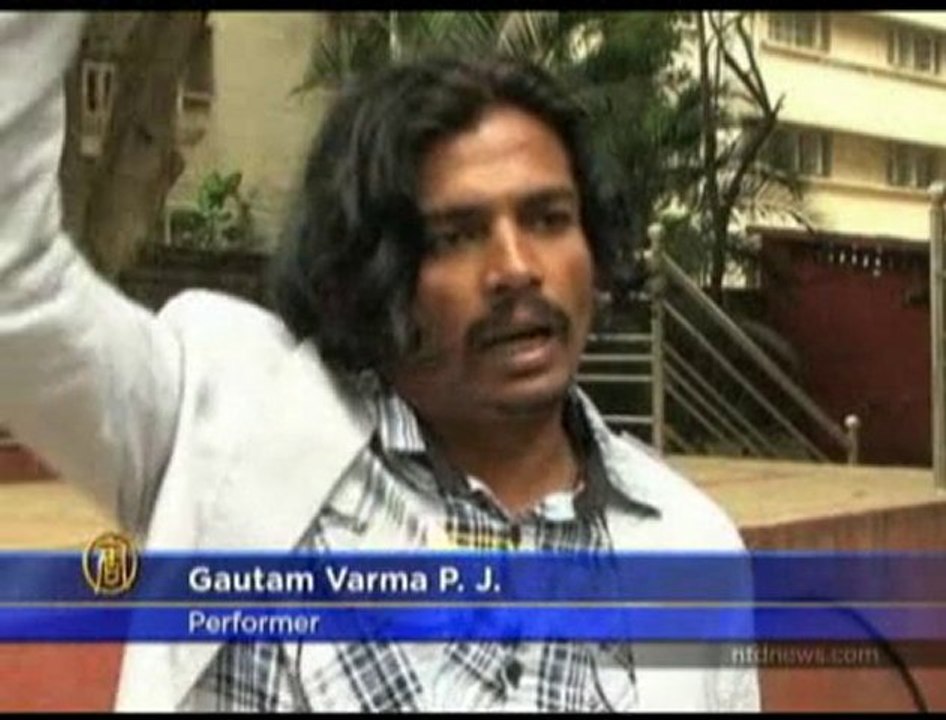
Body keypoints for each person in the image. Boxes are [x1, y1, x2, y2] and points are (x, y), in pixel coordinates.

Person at [0, 12, 759, 712]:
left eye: (548, 219)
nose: (517, 268)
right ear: (376, 269)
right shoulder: (223, 422)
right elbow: (14, 290)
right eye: (455, 235)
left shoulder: (694, 549)